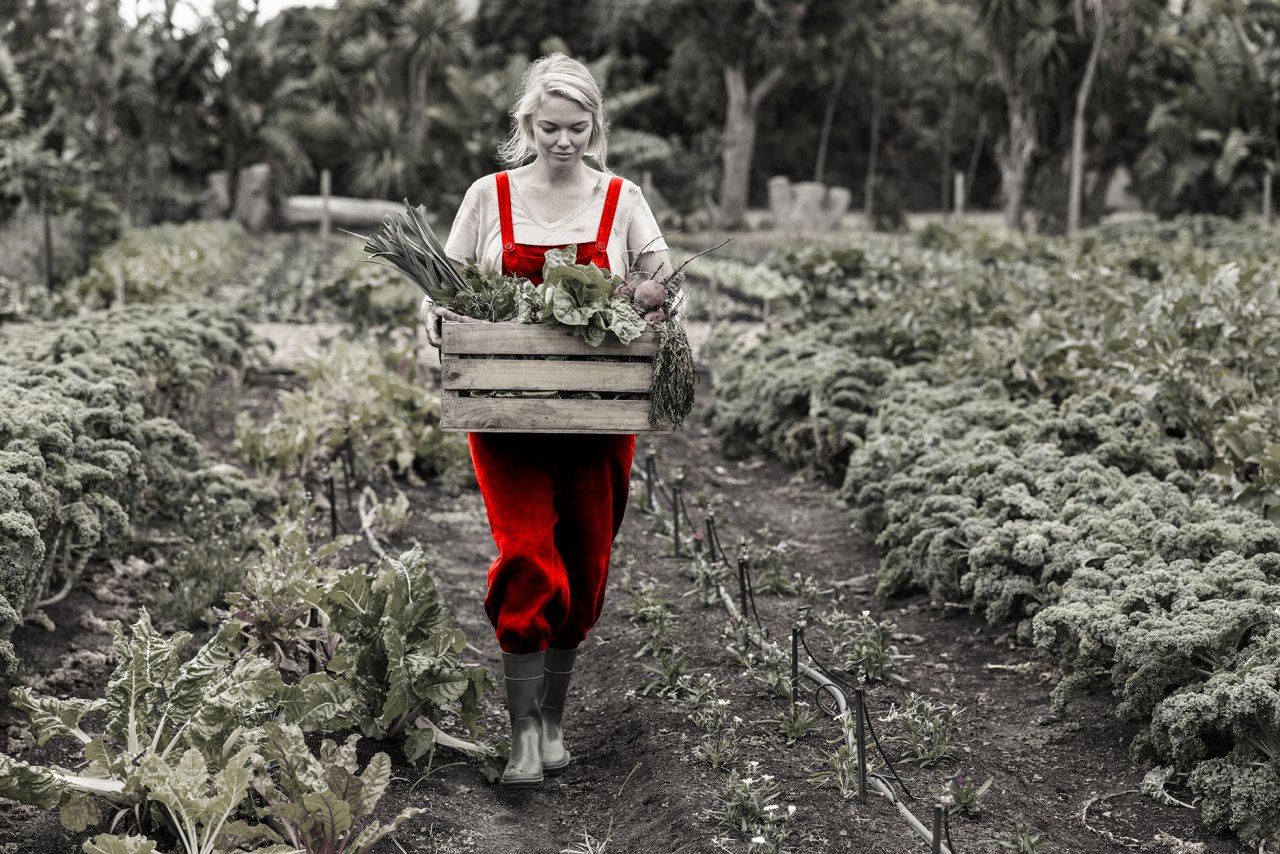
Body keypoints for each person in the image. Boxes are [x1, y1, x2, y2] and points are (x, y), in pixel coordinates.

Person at [420, 52, 673, 789]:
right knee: (528, 554)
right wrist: (438, 321)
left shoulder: (622, 198)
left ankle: (556, 722)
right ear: (526, 126)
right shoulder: (487, 196)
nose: (563, 141)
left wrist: (656, 295)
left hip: (598, 416)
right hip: (505, 412)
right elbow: (441, 290)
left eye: (577, 127)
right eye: (549, 128)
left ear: (596, 125)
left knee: (587, 569)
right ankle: (524, 736)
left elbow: (660, 276)